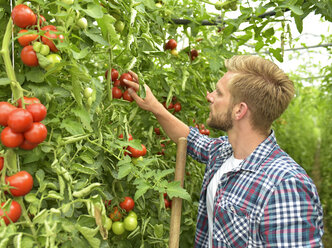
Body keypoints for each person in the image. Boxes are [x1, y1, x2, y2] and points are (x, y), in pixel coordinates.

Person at [123, 55, 324, 247]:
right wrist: (154, 106)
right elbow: (189, 139)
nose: (209, 96)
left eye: (218, 93)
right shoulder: (223, 152)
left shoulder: (285, 185)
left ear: (239, 110)